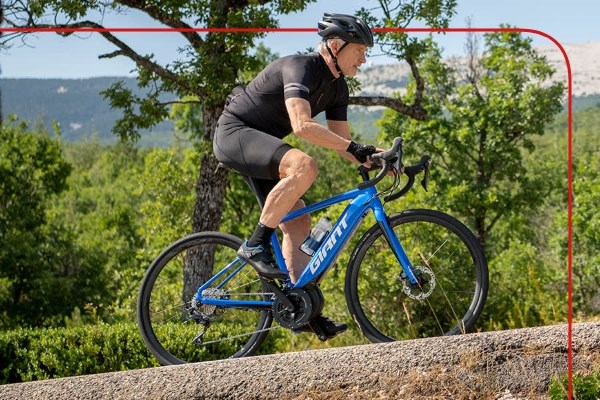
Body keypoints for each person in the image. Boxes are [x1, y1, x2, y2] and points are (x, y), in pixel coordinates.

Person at [213, 13, 377, 338]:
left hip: (265, 146)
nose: (364, 57)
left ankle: (300, 309)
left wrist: (379, 156)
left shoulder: (338, 88)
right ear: (335, 45)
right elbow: (302, 125)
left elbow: (344, 146)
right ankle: (255, 244)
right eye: (359, 49)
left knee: (298, 221)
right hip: (236, 134)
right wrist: (356, 147)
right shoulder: (300, 67)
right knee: (304, 166)